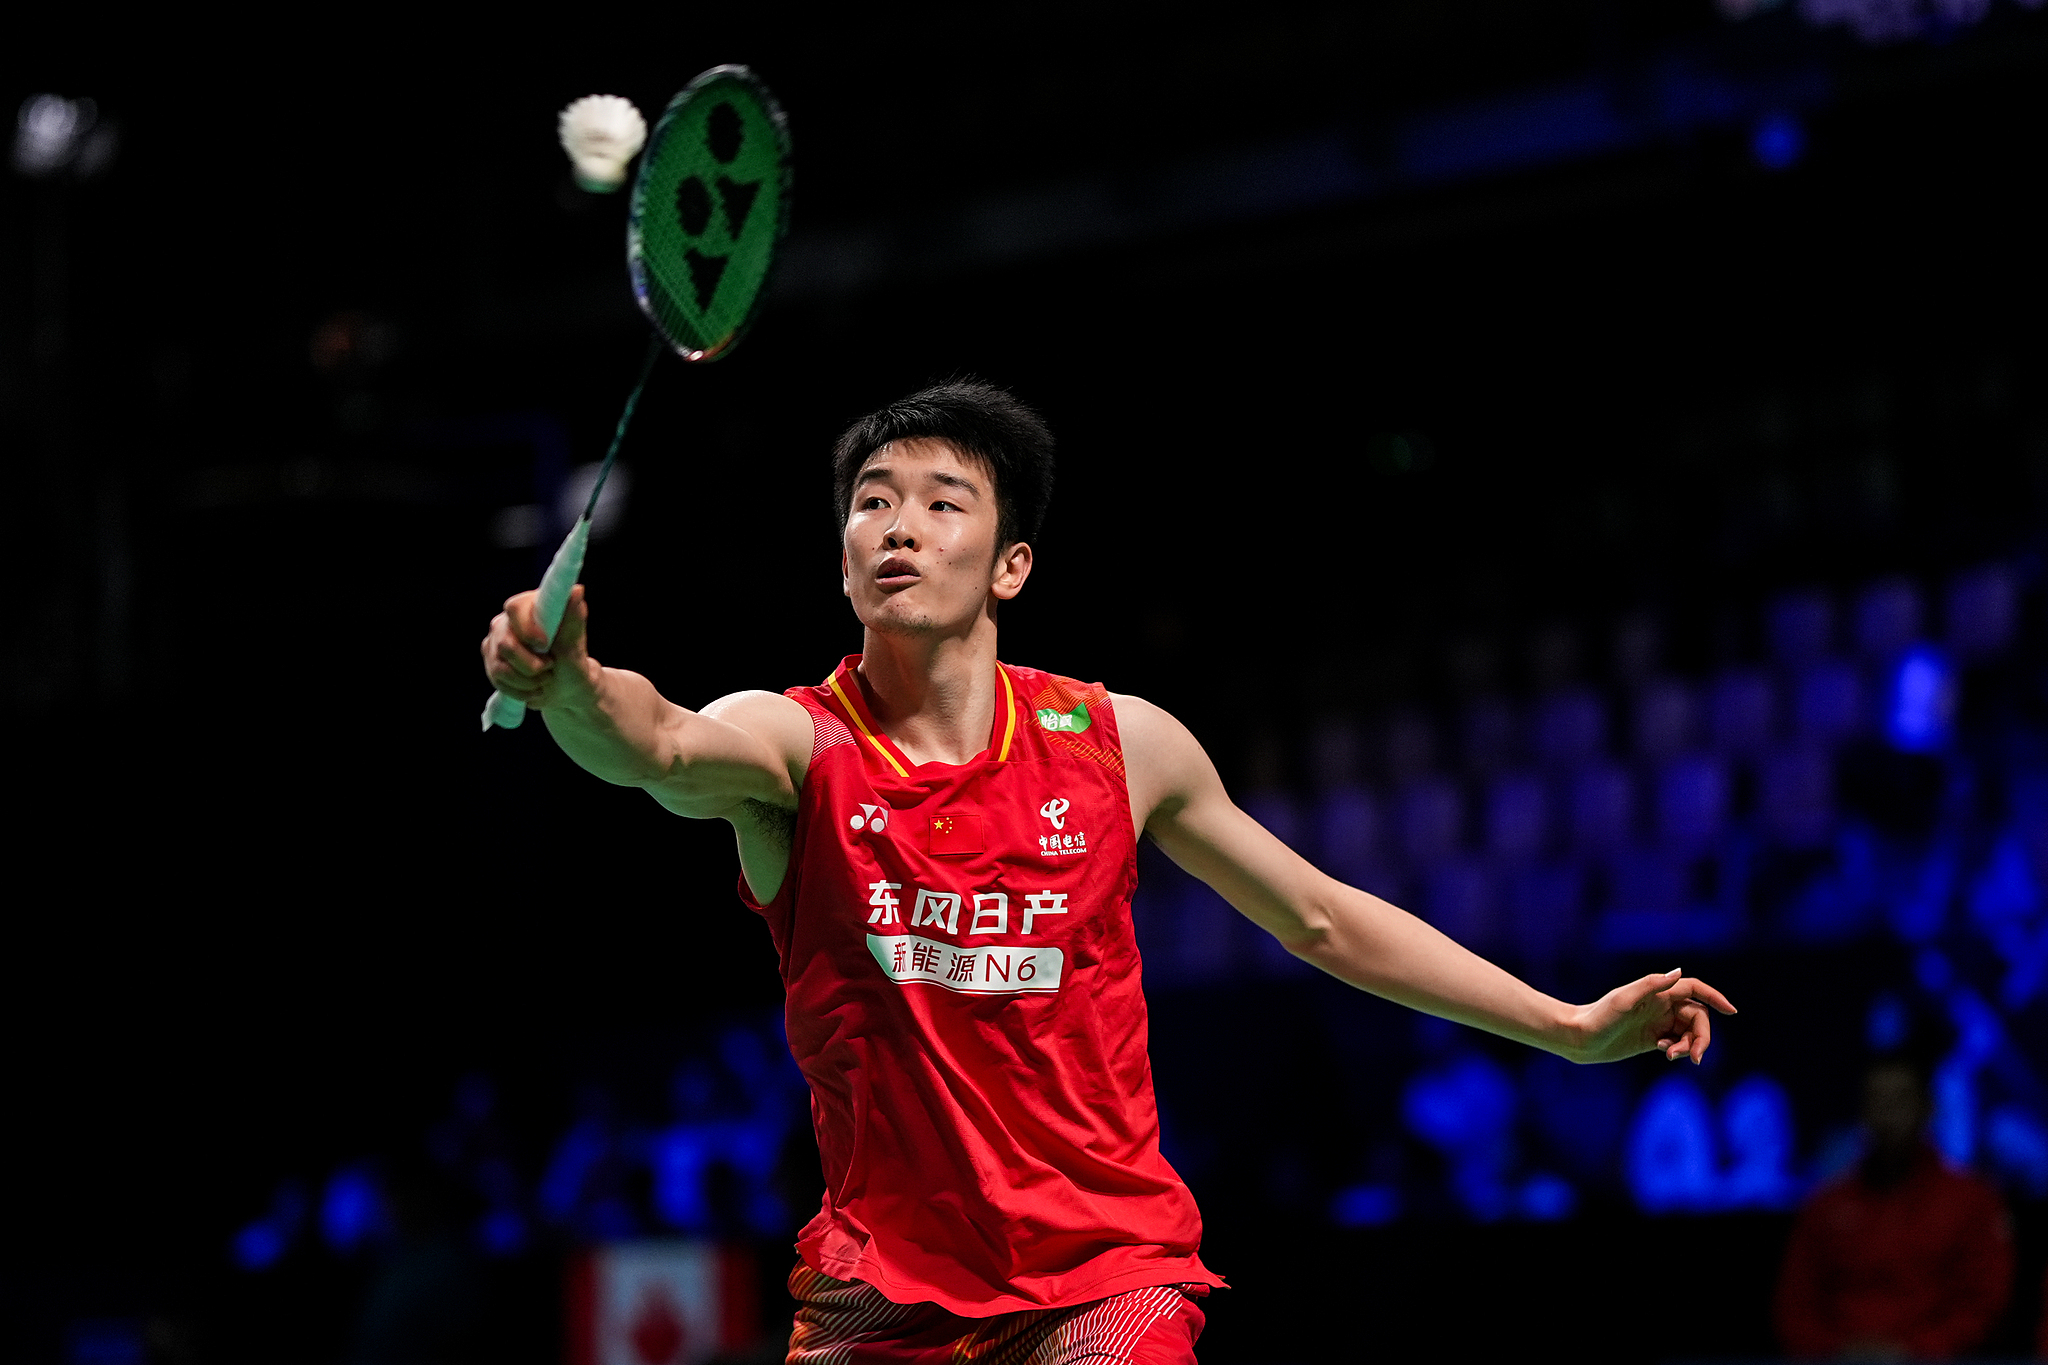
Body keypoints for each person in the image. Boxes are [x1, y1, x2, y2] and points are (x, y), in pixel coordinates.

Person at [480, 381, 1737, 1365]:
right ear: (843, 551)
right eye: (871, 500)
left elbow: (1317, 917)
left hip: (1102, 1274)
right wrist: (570, 685)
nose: (898, 524)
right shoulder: (797, 745)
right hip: (885, 1287)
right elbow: (655, 743)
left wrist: (1564, 1028)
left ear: (1009, 565)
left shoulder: (1119, 745)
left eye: (940, 500)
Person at [1775, 1053, 2014, 1360]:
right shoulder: (1826, 1206)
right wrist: (1836, 1352)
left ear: (1927, 1108)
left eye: (1900, 1101)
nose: (1888, 1115)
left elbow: (1986, 1303)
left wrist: (1916, 1352)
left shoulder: (1973, 1202)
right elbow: (1794, 1307)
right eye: (1877, 1101)